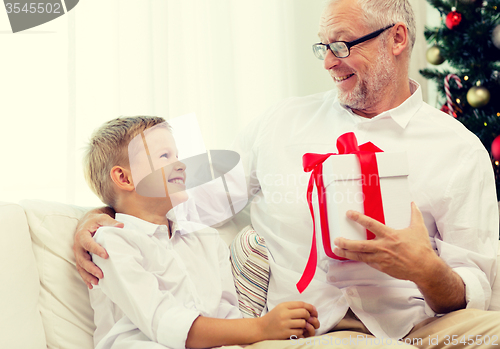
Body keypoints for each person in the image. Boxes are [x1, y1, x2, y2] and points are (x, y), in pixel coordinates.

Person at [75, 1, 500, 348]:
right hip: (308, 329)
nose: (330, 63)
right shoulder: (281, 124)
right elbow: (184, 203)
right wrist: (104, 214)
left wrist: (426, 271)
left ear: (397, 38)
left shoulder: (458, 150)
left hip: (420, 329)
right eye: (323, 47)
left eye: (343, 45)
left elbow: (477, 286)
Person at [81, 116, 319, 349]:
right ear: (124, 178)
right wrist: (262, 327)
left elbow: (227, 314)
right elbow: (163, 322)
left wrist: (284, 327)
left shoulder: (204, 237)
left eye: (177, 155)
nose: (181, 164)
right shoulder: (111, 242)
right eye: (165, 156)